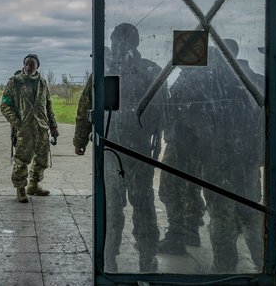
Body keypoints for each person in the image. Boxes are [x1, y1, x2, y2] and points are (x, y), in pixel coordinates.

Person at [159, 39, 264, 273]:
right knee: (250, 213)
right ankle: (267, 264)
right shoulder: (250, 80)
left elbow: (184, 122)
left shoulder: (202, 83)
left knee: (222, 215)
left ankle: (224, 268)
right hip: (246, 162)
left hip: (219, 161)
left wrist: (195, 152)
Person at [100, 24, 166, 272]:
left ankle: (141, 257)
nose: (120, 46)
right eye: (117, 41)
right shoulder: (145, 70)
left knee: (137, 204)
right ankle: (111, 256)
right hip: (115, 148)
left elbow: (163, 111)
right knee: (117, 205)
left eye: (122, 41)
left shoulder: (147, 70)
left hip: (132, 148)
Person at [0, 54, 59, 203]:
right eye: (26, 64)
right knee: (21, 161)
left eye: (31, 64)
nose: (28, 67)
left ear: (37, 66)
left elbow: (48, 107)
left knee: (42, 160)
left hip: (41, 128)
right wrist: (17, 123)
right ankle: (20, 189)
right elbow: (5, 105)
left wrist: (53, 127)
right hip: (24, 130)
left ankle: (33, 185)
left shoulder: (43, 83)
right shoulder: (15, 82)